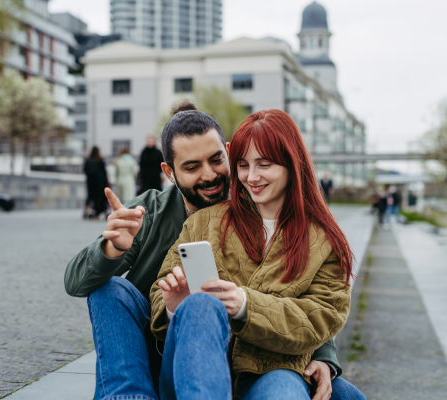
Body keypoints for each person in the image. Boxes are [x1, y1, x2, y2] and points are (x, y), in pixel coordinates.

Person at [65, 102, 366, 400]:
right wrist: (114, 248)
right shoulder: (153, 214)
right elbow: (78, 280)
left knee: (342, 395)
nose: (210, 175)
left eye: (216, 160)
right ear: (169, 172)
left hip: (266, 362)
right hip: (167, 352)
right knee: (113, 289)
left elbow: (319, 306)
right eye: (193, 167)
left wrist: (325, 358)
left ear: (227, 151)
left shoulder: (285, 213)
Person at [150, 109, 360, 400]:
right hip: (196, 369)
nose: (251, 177)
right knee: (200, 305)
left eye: (264, 164)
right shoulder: (204, 222)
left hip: (275, 371)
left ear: (291, 164)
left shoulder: (323, 240)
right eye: (243, 165)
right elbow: (160, 288)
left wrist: (245, 304)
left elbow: (322, 316)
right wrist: (175, 307)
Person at [84, 146, 108, 219]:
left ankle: (87, 209)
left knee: (90, 196)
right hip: (99, 182)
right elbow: (104, 172)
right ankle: (96, 212)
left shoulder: (87, 160)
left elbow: (85, 170)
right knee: (98, 198)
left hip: (90, 182)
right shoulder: (100, 160)